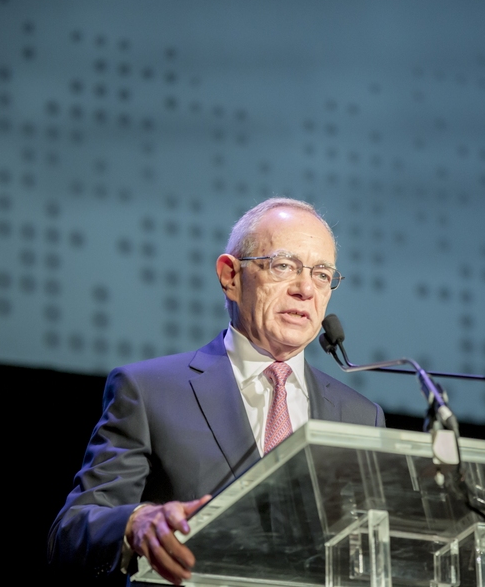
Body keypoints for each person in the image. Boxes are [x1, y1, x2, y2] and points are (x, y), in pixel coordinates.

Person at [48, 198, 385, 585]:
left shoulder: (360, 416)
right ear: (230, 276)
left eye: (322, 274)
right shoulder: (150, 391)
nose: (305, 288)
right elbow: (70, 531)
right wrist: (135, 523)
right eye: (284, 266)